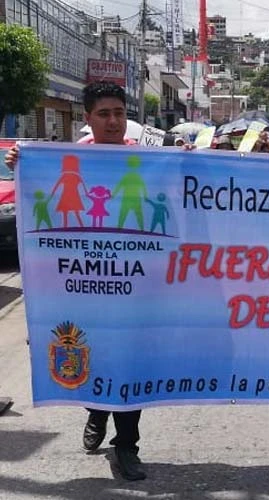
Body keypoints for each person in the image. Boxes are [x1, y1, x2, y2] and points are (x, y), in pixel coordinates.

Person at [4, 81, 149, 481]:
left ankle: (127, 447)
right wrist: (22, 162)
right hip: (83, 288)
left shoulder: (142, 160)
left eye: (119, 113)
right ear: (87, 119)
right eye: (104, 114)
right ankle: (95, 414)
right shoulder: (64, 158)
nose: (113, 121)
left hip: (132, 286)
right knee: (95, 357)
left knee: (129, 367)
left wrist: (186, 161)